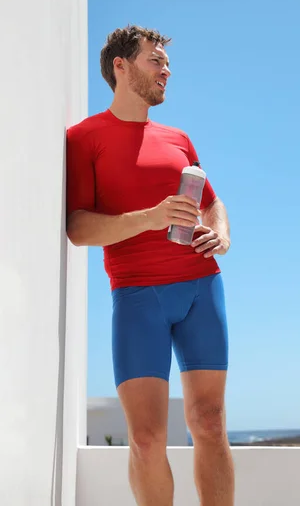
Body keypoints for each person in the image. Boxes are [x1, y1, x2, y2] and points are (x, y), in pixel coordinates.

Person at [66, 25, 234, 506]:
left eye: (166, 62)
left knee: (210, 421)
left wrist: (220, 233)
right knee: (145, 439)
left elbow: (212, 202)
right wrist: (151, 218)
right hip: (138, 295)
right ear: (120, 66)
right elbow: (78, 227)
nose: (166, 70)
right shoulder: (84, 138)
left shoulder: (178, 138)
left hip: (202, 287)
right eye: (155, 61)